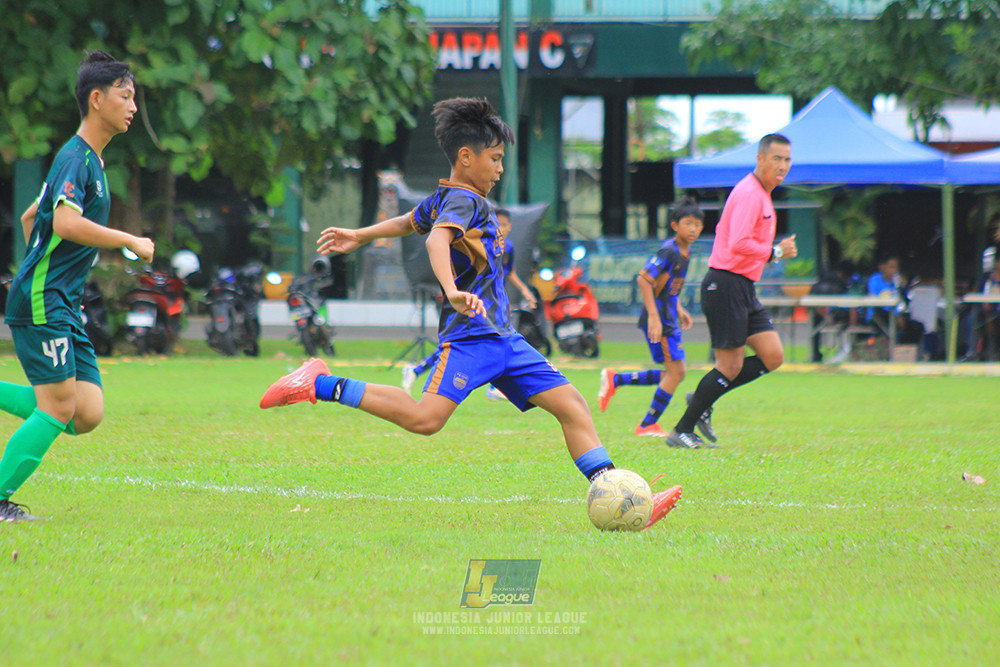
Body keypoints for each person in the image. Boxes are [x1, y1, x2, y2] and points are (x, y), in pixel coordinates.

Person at [261, 97, 681, 528]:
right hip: (471, 338)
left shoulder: (449, 198)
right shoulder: (468, 203)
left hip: (504, 339)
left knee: (572, 406)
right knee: (425, 419)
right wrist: (453, 291)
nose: (500, 169)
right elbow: (433, 241)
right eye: (495, 159)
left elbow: (410, 221)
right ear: (467, 157)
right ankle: (319, 382)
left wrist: (359, 234)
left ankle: (623, 499)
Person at [0, 50, 155, 521]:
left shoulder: (89, 162)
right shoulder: (76, 159)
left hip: (59, 300)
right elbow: (64, 223)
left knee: (85, 411)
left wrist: (46, 268)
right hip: (47, 300)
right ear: (96, 99)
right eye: (125, 97)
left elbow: (34, 217)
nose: (131, 106)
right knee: (58, 405)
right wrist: (128, 238)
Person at [665, 134, 797, 449]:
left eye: (787, 160)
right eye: (776, 158)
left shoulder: (762, 194)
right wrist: (776, 252)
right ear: (760, 159)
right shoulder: (751, 193)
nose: (782, 166)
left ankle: (703, 396)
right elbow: (738, 242)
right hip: (725, 283)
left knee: (772, 355)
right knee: (730, 365)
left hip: (742, 287)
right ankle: (681, 431)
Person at [598, 196, 703, 437]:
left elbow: (665, 286)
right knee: (676, 372)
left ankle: (617, 380)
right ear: (675, 225)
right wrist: (655, 317)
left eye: (697, 224)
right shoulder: (669, 251)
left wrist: (678, 309)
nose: (694, 228)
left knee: (674, 372)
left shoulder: (685, 252)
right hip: (660, 321)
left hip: (667, 317)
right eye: (688, 223)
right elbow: (644, 279)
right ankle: (646, 425)